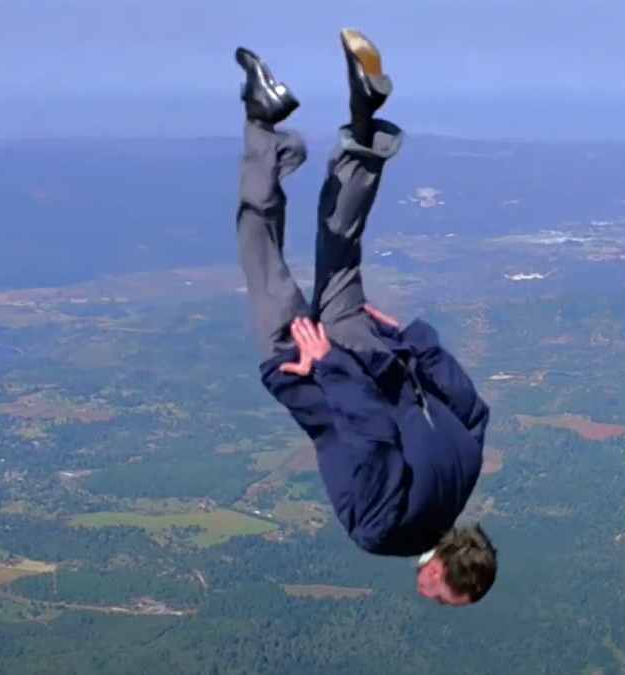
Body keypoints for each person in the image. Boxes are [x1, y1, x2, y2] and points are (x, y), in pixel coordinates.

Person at [233, 29, 497, 607]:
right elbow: (369, 438)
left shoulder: (468, 467)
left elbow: (468, 405)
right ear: (438, 576)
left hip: (377, 347)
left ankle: (364, 123)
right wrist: (325, 364)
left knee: (342, 247)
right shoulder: (385, 532)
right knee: (261, 255)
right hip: (313, 369)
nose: (428, 598)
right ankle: (262, 125)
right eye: (439, 597)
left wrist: (408, 338)